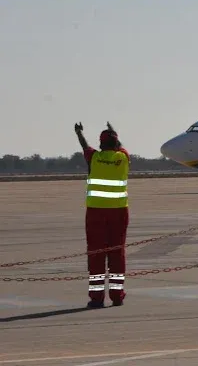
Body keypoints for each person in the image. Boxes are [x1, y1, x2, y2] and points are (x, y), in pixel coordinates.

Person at [75, 122, 131, 308]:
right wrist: (114, 130)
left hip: (96, 213)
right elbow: (121, 147)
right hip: (119, 212)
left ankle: (97, 298)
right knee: (117, 254)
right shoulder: (123, 158)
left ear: (100, 144)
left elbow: (84, 146)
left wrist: (79, 133)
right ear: (116, 144)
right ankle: (117, 296)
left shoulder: (94, 158)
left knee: (96, 256)